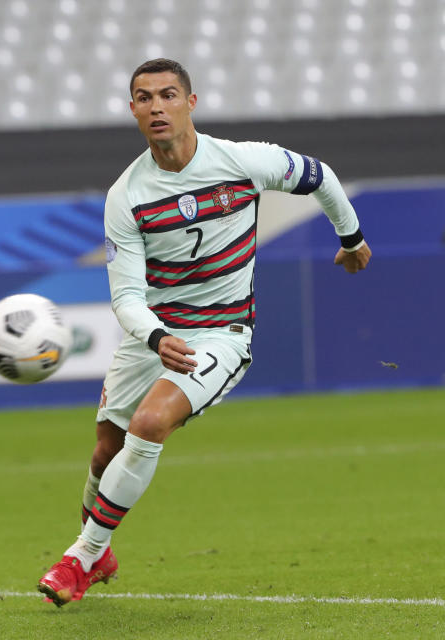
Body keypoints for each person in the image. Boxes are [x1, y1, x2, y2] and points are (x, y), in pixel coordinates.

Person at [37, 59, 371, 607]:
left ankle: (79, 557)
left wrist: (352, 237)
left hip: (221, 332)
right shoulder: (127, 195)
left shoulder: (241, 161)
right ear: (133, 112)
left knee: (149, 424)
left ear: (191, 103)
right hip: (158, 331)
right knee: (104, 453)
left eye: (168, 95)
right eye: (144, 98)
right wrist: (153, 338)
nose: (156, 106)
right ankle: (102, 555)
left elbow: (320, 176)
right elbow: (126, 296)